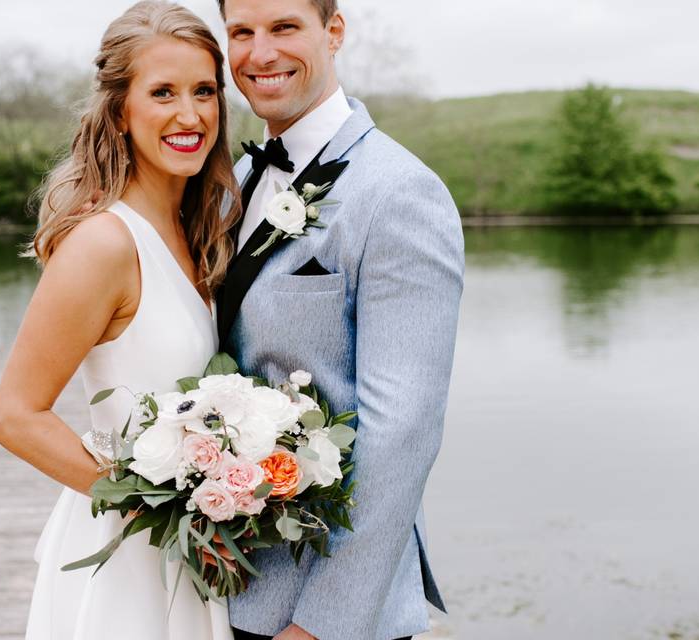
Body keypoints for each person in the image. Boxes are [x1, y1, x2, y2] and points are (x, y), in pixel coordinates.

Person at [213, 1, 465, 639]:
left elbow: (401, 430)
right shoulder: (239, 177)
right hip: (225, 587)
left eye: (284, 27)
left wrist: (322, 625)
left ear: (334, 31)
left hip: (323, 610)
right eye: (241, 32)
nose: (259, 53)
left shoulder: (400, 191)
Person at [0, 3, 239, 638]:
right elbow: (15, 417)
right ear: (121, 112)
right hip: (131, 555)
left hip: (195, 553)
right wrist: (161, 514)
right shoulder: (104, 243)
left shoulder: (199, 230)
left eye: (204, 91)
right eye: (163, 94)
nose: (191, 116)